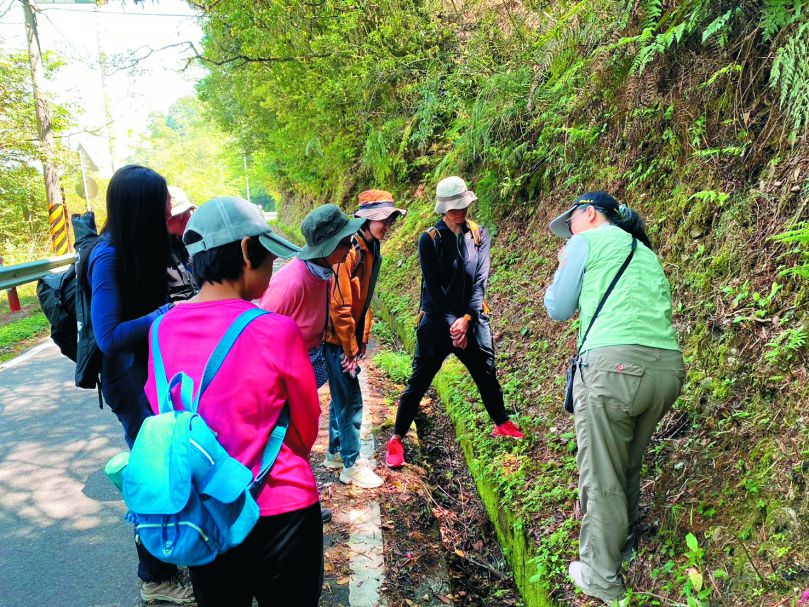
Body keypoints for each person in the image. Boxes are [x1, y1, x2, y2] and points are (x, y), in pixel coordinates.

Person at [144, 196, 323, 607]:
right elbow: (304, 426)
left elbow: (165, 415)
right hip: (281, 507)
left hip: (204, 514)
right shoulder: (276, 330)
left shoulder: (160, 331)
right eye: (268, 255)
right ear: (246, 250)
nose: (272, 266)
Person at [543, 191, 685, 607]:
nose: (567, 232)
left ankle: (601, 578)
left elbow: (558, 307)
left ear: (589, 213)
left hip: (613, 369)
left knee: (601, 472)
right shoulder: (645, 252)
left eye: (570, 221)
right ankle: (621, 546)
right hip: (665, 370)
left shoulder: (583, 242)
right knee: (626, 463)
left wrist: (561, 269)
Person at [87, 165, 193, 604]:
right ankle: (154, 577)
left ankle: (176, 548)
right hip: (129, 382)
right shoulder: (108, 257)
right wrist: (162, 316)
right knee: (153, 473)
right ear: (139, 209)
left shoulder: (146, 246)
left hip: (158, 373)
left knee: (174, 463)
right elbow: (107, 336)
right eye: (160, 204)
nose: (167, 210)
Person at [385, 176, 524, 470]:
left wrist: (467, 319)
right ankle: (397, 438)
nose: (460, 212)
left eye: (463, 206)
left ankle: (501, 421)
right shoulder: (429, 239)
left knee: (486, 371)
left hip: (470, 318)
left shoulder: (478, 235)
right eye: (454, 208)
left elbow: (479, 282)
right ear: (443, 208)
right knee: (419, 380)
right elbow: (433, 291)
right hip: (437, 323)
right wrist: (453, 324)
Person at [259, 204, 364, 508]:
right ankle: (288, 504)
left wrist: (345, 351)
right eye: (345, 242)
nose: (350, 247)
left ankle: (300, 500)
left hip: (309, 361)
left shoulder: (324, 272)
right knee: (284, 439)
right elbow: (257, 330)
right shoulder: (290, 284)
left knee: (302, 433)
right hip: (282, 371)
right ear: (328, 247)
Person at [323, 190, 406, 489]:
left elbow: (363, 301)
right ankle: (351, 465)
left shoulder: (370, 246)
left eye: (389, 219)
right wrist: (350, 349)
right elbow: (340, 306)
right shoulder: (350, 250)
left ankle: (334, 452)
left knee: (341, 398)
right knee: (351, 403)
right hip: (337, 339)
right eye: (382, 219)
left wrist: (360, 340)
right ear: (365, 218)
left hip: (345, 338)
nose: (387, 225)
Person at [166, 185, 197, 302]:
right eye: (179, 216)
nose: (187, 218)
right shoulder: (153, 252)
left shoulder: (191, 240)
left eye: (188, 212)